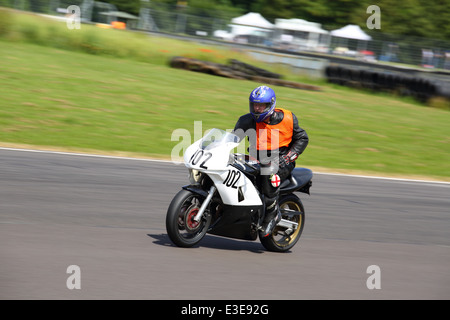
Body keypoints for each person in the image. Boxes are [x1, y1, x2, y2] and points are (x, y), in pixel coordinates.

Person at [233, 85, 309, 237]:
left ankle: (271, 214)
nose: (257, 109)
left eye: (261, 106)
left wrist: (289, 156)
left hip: (281, 160)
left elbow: (302, 138)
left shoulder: (287, 118)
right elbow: (232, 139)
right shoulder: (246, 120)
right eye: (255, 105)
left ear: (271, 105)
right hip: (255, 158)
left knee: (269, 172)